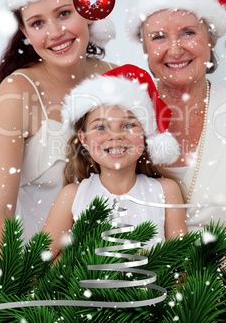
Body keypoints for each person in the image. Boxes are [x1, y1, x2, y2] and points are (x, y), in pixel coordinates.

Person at [0, 0, 116, 254]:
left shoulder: (117, 78)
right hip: (38, 280)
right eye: (37, 23)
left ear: (87, 12)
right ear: (26, 34)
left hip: (110, 271)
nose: (55, 33)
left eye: (63, 14)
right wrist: (4, 288)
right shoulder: (17, 92)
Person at [126, 0, 226, 233]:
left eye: (188, 33)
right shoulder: (122, 115)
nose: (175, 50)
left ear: (211, 39)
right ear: (145, 47)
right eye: (158, 36)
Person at [42, 64, 187, 258]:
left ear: (145, 134)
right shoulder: (72, 196)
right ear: (84, 139)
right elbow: (37, 264)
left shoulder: (165, 192)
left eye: (128, 125)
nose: (116, 135)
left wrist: (145, 259)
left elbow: (184, 264)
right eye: (101, 127)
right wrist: (84, 261)